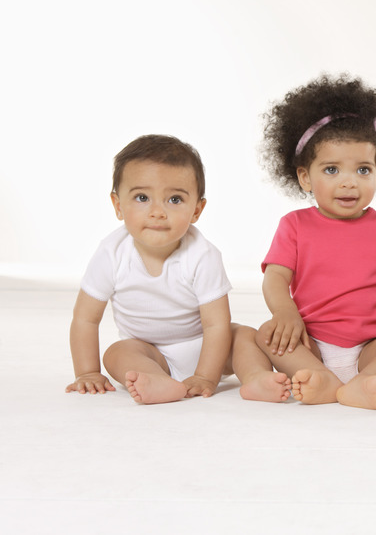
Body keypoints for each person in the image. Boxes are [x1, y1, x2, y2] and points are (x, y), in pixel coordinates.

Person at [236, 73, 376, 408]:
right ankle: (320, 379)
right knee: (265, 333)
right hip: (312, 343)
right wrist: (285, 313)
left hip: (372, 347)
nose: (349, 183)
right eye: (332, 170)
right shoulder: (294, 225)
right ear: (305, 177)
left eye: (363, 170)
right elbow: (275, 277)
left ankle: (363, 383)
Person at [66, 134, 257, 404]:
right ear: (118, 206)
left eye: (175, 200)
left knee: (245, 336)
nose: (157, 212)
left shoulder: (202, 254)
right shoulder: (111, 253)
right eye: (142, 197)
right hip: (148, 351)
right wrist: (87, 372)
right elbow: (86, 318)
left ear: (197, 210)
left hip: (205, 346)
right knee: (117, 353)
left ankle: (256, 378)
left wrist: (205, 376)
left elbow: (216, 325)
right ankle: (156, 380)